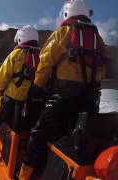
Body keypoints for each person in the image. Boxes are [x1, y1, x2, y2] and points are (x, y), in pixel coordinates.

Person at [19, 0, 107, 179]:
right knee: (75, 139)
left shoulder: (63, 33)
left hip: (63, 97)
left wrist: (37, 87)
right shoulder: (99, 39)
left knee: (39, 133)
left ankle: (23, 175)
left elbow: (45, 63)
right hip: (90, 99)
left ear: (67, 13)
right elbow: (102, 69)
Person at [0, 25, 41, 146]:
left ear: (20, 38)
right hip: (28, 100)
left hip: (11, 99)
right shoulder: (41, 56)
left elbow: (0, 80)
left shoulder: (15, 55)